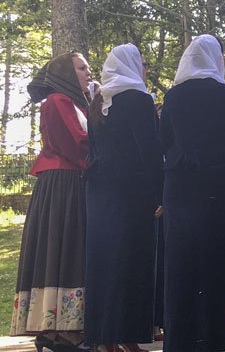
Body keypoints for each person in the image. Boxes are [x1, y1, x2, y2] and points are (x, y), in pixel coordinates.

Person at [159, 35, 225, 351]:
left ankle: (180, 337)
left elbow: (164, 140)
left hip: (179, 186)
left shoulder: (173, 96)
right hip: (216, 186)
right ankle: (215, 336)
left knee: (180, 260)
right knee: (217, 258)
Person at [84, 44, 163, 352]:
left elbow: (93, 149)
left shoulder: (98, 100)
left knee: (105, 262)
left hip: (100, 192)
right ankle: (128, 337)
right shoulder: (138, 99)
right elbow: (149, 150)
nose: (144, 69)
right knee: (131, 262)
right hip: (132, 192)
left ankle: (104, 338)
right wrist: (161, 191)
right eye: (141, 63)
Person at [13, 51, 92, 351]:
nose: (88, 72)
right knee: (64, 245)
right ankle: (61, 329)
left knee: (62, 246)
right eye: (81, 68)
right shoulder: (58, 101)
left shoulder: (73, 102)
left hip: (67, 181)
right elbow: (76, 143)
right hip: (63, 183)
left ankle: (57, 330)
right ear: (66, 73)